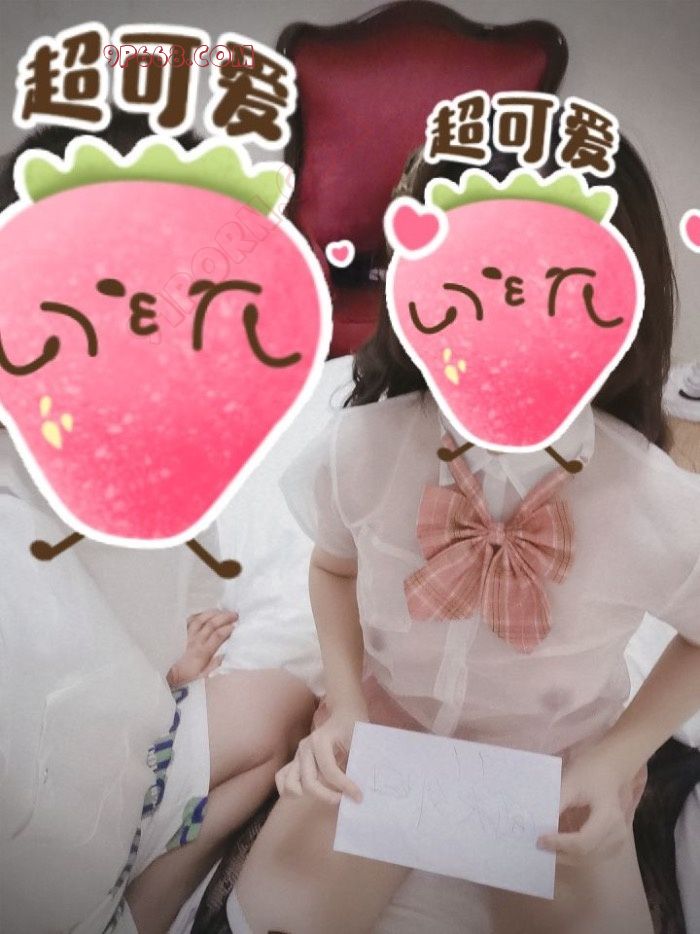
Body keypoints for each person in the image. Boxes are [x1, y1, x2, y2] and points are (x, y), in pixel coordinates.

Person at [230, 131, 700, 934]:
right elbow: (332, 568)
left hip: (555, 761)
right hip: (390, 733)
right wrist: (345, 704)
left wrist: (618, 757)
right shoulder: (364, 447)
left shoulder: (652, 500)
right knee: (271, 914)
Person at [0, 112, 315, 934]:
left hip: (111, 737)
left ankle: (143, 900)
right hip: (64, 819)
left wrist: (167, 674)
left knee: (280, 713)